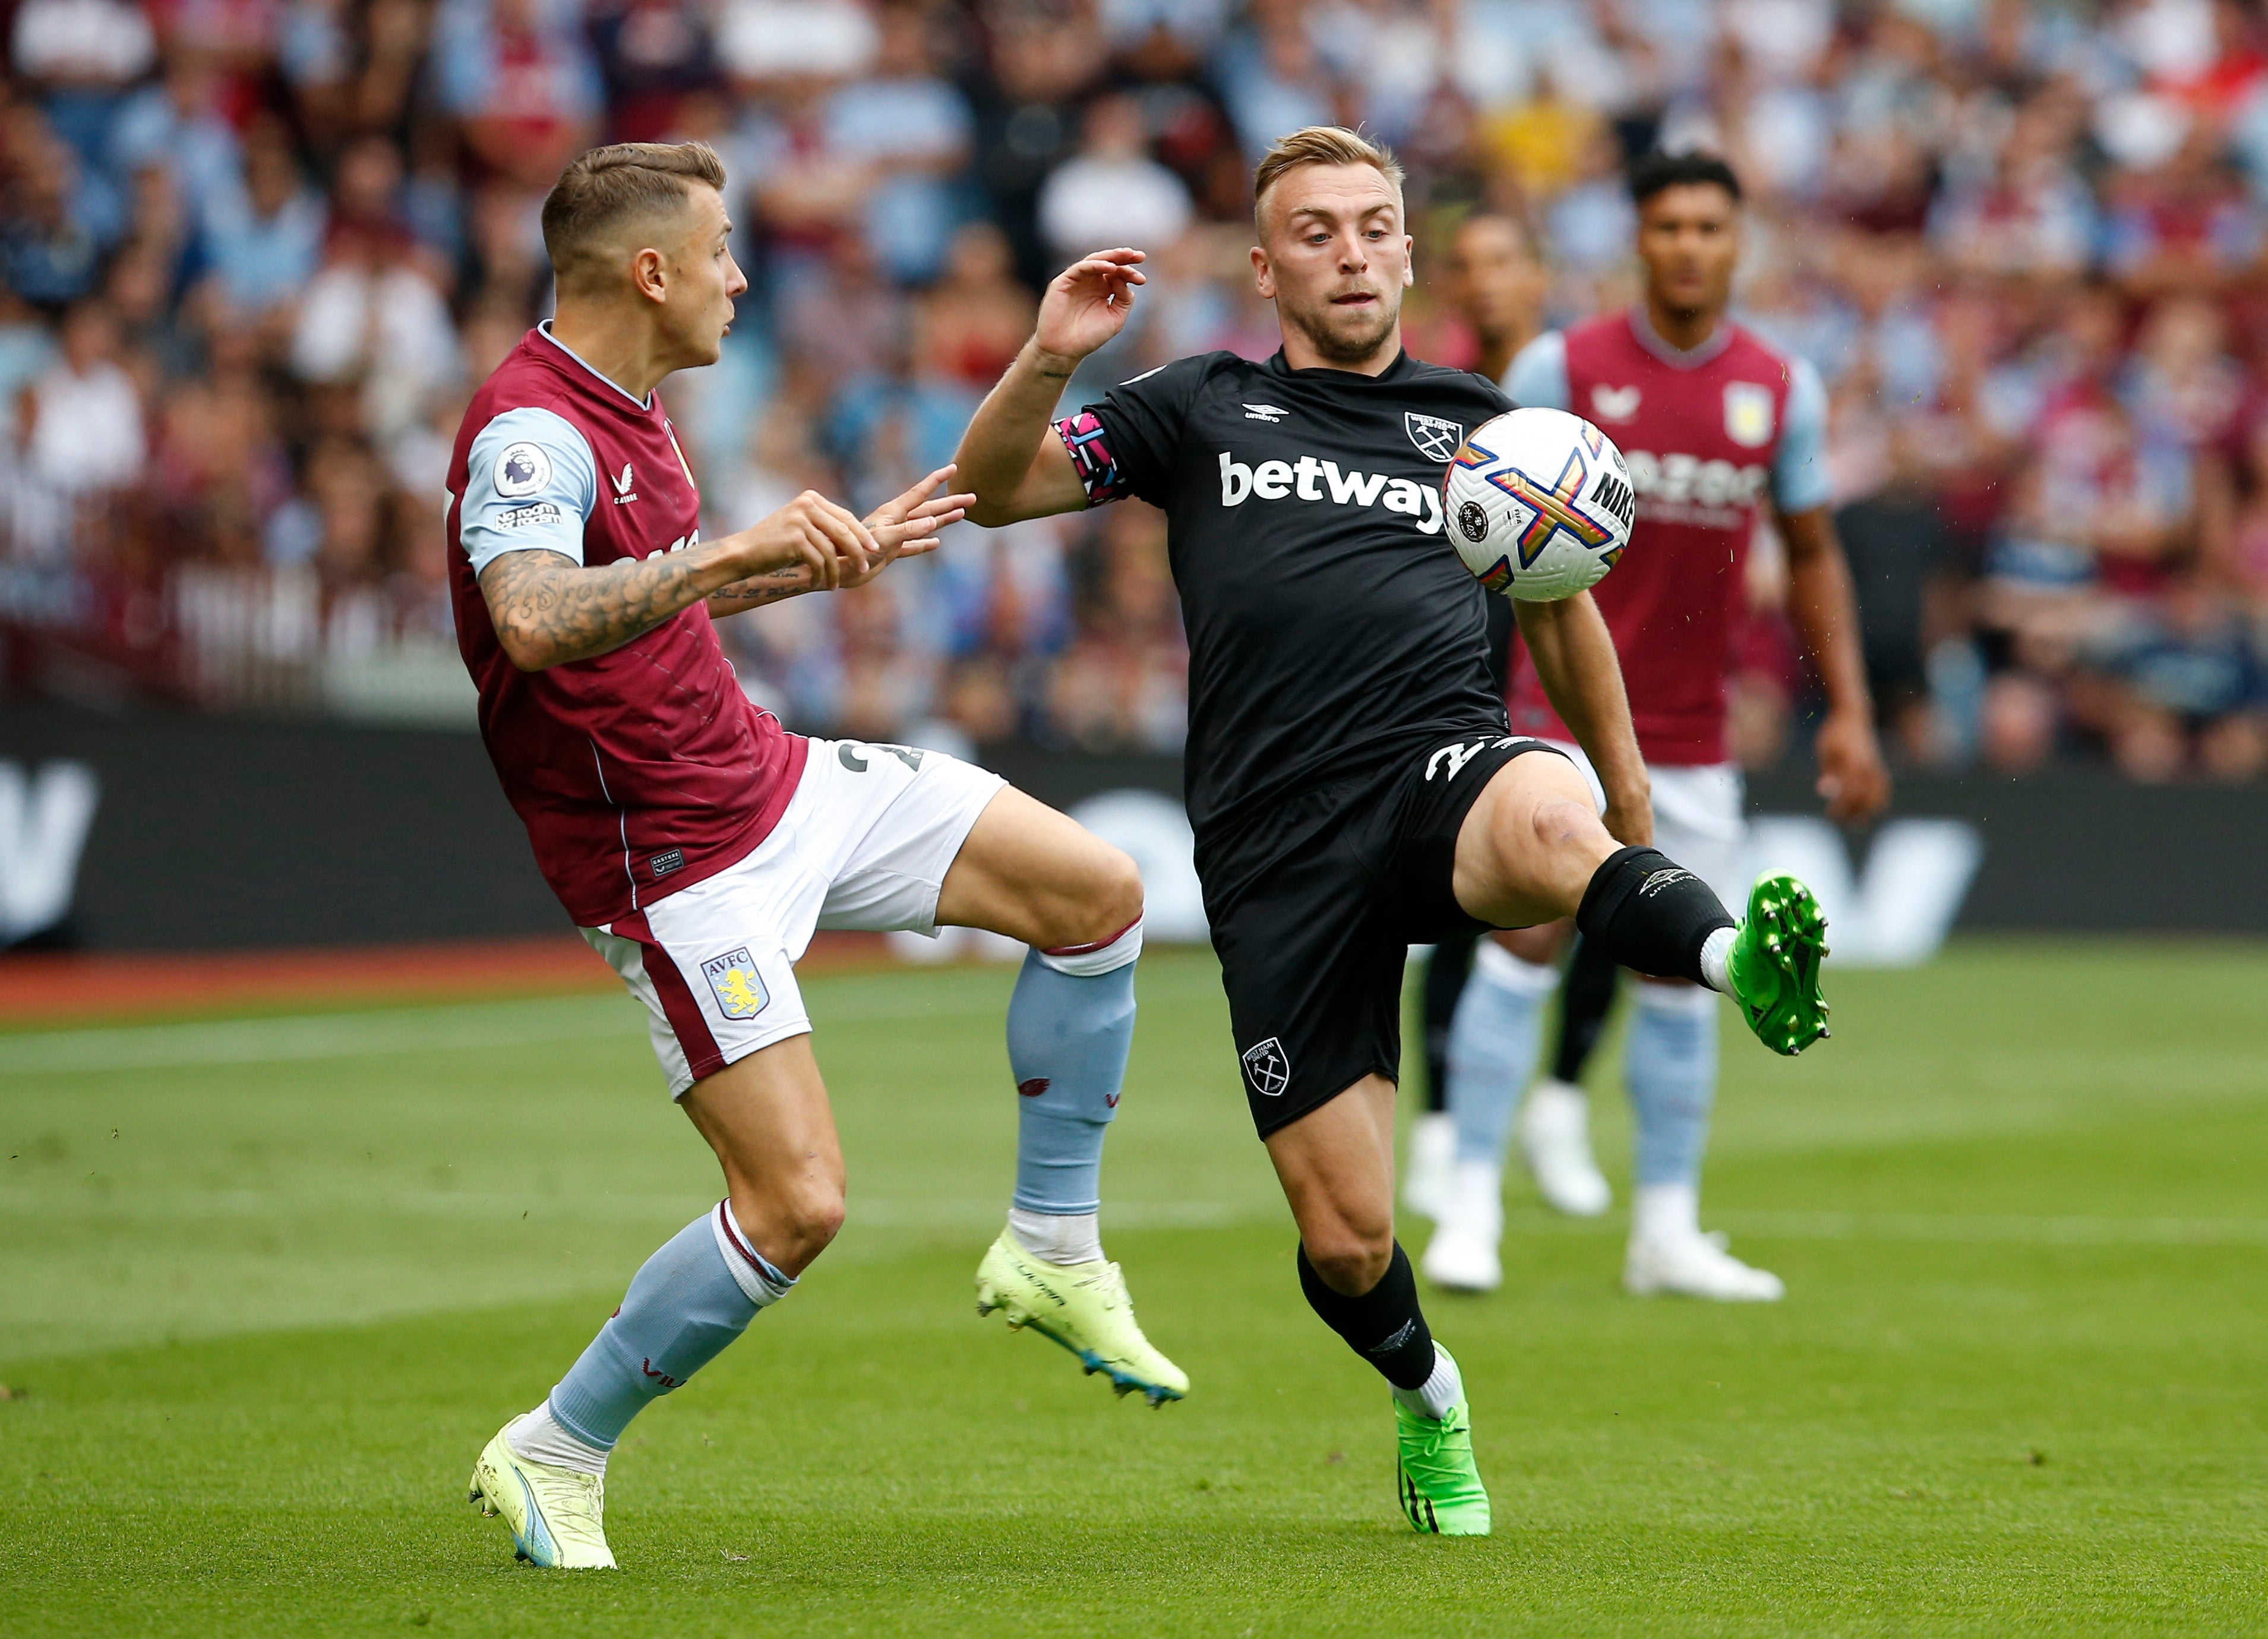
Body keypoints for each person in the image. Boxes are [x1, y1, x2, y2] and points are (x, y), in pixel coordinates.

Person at [953, 125, 1833, 1538]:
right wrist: (1052, 352)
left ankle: (1738, 964)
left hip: (1439, 769)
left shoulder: (1492, 429)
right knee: (1349, 1238)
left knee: (1543, 811)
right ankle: (1429, 1398)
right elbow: (993, 490)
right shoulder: (1196, 406)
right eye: (1316, 230)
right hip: (1270, 854)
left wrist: (1632, 806)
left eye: (1373, 225)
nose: (1350, 250)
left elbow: (1564, 609)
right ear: (1264, 264)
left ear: (1408, 250)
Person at [448, 142, 1186, 1572]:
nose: (737, 275)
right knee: (798, 1205)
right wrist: (735, 558)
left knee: (1095, 893)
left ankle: (1049, 1246)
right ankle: (555, 1446)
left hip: (771, 776)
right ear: (648, 272)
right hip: (670, 865)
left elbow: (646, 611)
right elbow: (535, 620)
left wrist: (836, 552)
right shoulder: (529, 434)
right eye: (719, 249)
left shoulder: (636, 403)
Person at [1420, 151, 1890, 1302]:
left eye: (1707, 227)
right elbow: (1475, 521)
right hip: (1557, 713)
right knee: (1525, 943)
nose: (1686, 245)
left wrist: (1850, 716)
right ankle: (1469, 1199)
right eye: (1667, 226)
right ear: (1638, 238)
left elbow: (1815, 552)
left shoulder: (1780, 388)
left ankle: (1667, 1230)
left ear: (1738, 243)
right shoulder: (1559, 364)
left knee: (1686, 979)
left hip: (1693, 733)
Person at [1402, 208, 1548, 1222]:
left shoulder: (1570, 393)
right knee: (1453, 900)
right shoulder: (1432, 396)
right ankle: (1442, 1123)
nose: (1485, 282)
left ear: (1535, 276)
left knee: (1575, 889)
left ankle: (1560, 1101)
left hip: (1552, 645)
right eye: (1469, 266)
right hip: (1459, 660)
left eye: (1503, 261)